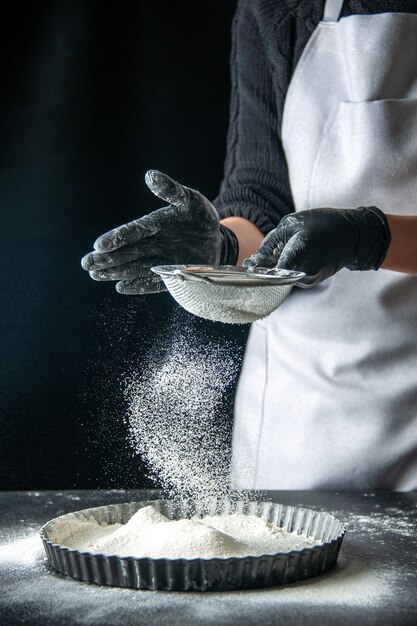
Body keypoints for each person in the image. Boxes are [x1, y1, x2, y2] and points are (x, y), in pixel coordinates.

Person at [82, 0, 417, 491]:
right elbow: (262, 197)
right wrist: (222, 246)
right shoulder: (279, 11)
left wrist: (370, 237)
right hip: (308, 409)